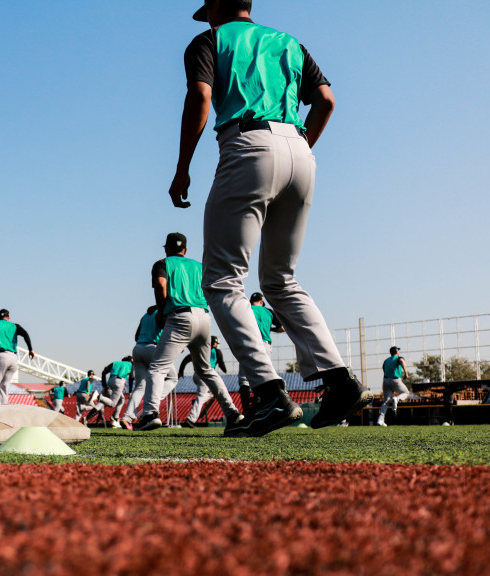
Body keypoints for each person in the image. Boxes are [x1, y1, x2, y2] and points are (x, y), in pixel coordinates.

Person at [166, 0, 368, 436]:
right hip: (300, 148)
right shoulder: (289, 42)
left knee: (221, 280)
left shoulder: (208, 40)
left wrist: (182, 166)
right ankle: (339, 380)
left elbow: (201, 95)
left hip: (247, 145)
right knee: (281, 280)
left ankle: (272, 395)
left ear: (217, 4)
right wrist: (301, 149)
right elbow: (327, 101)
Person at [135, 233, 243, 433]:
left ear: (166, 248)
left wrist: (160, 309)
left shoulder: (162, 263)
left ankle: (150, 414)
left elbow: (160, 285)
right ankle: (233, 413)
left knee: (158, 368)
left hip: (179, 316)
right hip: (203, 316)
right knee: (206, 370)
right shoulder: (198, 266)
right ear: (185, 250)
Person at [237, 292, 285, 415]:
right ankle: (273, 403)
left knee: (244, 380)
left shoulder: (246, 309)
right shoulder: (268, 311)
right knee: (265, 375)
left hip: (249, 343)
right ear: (261, 302)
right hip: (265, 344)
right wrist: (271, 329)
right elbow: (282, 328)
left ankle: (247, 412)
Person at [178, 336, 243, 427]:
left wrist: (181, 371)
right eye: (216, 343)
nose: (216, 345)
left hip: (196, 375)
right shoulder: (217, 352)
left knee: (214, 394)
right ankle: (191, 419)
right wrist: (225, 370)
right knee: (202, 396)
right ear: (214, 343)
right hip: (206, 375)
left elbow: (186, 359)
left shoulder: (201, 349)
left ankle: (199, 408)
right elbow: (221, 363)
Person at [0, 309, 35, 406]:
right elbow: (25, 333)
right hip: (13, 358)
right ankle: (3, 408)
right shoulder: (15, 326)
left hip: (0, 356)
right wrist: (30, 349)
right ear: (9, 318)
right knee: (4, 385)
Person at [124, 306, 162, 427]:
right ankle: (150, 409)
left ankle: (127, 416)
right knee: (172, 377)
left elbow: (136, 336)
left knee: (140, 387)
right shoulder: (162, 312)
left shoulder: (145, 316)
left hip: (138, 348)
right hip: (152, 347)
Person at [95, 357, 134, 428]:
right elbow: (131, 378)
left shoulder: (115, 363)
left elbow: (104, 372)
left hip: (111, 381)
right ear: (131, 361)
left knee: (122, 399)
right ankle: (98, 396)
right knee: (112, 404)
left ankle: (115, 417)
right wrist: (130, 391)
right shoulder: (130, 364)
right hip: (119, 382)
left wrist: (104, 385)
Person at [377, 347, 410, 427]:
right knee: (406, 392)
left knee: (386, 401)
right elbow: (401, 361)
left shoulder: (386, 360)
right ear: (397, 352)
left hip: (385, 380)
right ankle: (396, 399)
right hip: (395, 380)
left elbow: (383, 367)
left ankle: (380, 420)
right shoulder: (399, 358)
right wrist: (406, 372)